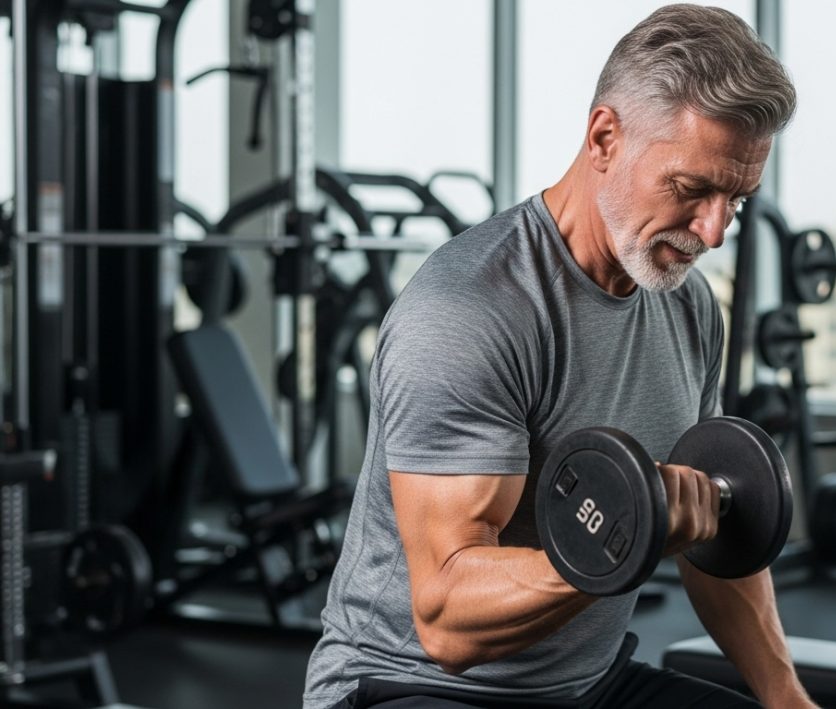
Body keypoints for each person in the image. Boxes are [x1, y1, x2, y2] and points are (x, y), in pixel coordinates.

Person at [303, 5, 810, 708]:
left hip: (587, 685)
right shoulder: (469, 311)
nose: (715, 230)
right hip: (413, 685)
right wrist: (623, 539)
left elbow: (707, 527)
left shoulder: (689, 307)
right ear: (604, 138)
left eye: (737, 200)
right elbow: (446, 619)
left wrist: (786, 696)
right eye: (692, 189)